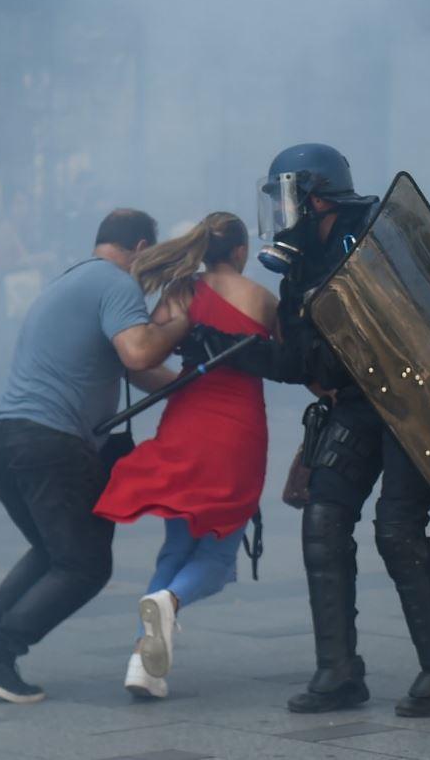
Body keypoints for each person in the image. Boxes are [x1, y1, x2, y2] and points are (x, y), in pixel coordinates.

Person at [190, 144, 430, 718]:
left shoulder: (378, 239)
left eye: (289, 195)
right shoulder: (297, 263)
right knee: (322, 522)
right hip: (353, 407)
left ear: (318, 196)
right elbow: (301, 364)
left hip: (413, 404)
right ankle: (339, 672)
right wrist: (230, 353)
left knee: (396, 530)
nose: (282, 208)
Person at [0, 208, 190, 703]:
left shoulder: (69, 283)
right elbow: (141, 353)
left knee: (52, 549)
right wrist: (181, 322)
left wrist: (193, 387)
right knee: (84, 565)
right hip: (49, 441)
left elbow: (138, 371)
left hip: (4, 437)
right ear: (142, 249)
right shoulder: (117, 283)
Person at [93, 212, 275, 699]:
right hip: (237, 430)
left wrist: (185, 374)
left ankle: (144, 664)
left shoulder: (181, 291)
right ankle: (169, 600)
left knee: (176, 547)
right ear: (240, 252)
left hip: (185, 419)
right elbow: (290, 362)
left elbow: (146, 356)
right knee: (217, 557)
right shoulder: (263, 299)